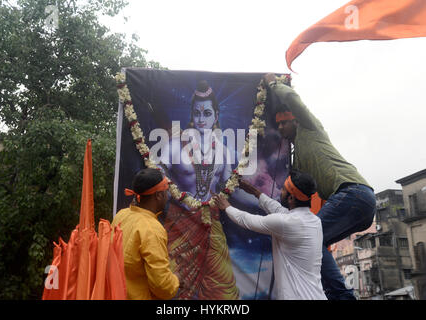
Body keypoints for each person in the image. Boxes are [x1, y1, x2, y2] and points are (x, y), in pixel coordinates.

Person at [263, 73, 376, 300]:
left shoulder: (309, 128)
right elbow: (292, 192)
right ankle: (334, 294)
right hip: (358, 203)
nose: (282, 127)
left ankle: (342, 296)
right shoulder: (297, 160)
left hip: (353, 193)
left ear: (296, 120)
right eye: (279, 124)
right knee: (315, 242)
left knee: (313, 238)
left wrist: (273, 84)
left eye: (285, 122)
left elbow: (295, 102)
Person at [158, 80, 239, 300]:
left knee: (222, 291)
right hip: (179, 221)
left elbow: (225, 186)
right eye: (197, 113)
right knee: (172, 286)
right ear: (192, 115)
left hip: (211, 222)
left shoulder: (222, 151)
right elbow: (158, 175)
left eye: (207, 113)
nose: (201, 119)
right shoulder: (174, 145)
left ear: (216, 116)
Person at [213, 171, 327, 300]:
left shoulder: (288, 223)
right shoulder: (314, 221)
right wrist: (255, 192)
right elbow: (278, 209)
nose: (280, 192)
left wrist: (226, 206)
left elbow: (246, 220)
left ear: (291, 198)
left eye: (283, 189)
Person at [111, 168, 179, 300]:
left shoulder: (121, 215)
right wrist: (176, 281)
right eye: (166, 192)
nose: (167, 196)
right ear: (158, 195)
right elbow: (162, 286)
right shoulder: (152, 229)